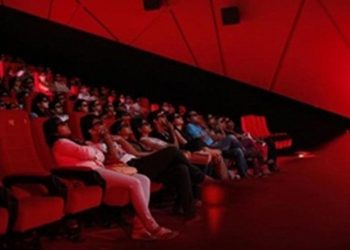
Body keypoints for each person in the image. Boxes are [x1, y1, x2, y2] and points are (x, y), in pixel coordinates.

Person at [43, 116, 178, 240]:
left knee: (144, 179)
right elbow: (87, 152)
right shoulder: (60, 143)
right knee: (135, 183)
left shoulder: (70, 142)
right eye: (62, 124)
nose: (66, 125)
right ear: (54, 131)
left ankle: (139, 227)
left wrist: (95, 154)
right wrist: (95, 153)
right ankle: (151, 225)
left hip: (98, 169)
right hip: (89, 173)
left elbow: (97, 154)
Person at [82, 114, 210, 221]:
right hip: (127, 168)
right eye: (98, 124)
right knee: (172, 150)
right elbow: (113, 159)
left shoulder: (113, 139)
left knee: (181, 168)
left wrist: (157, 156)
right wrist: (108, 140)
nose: (103, 125)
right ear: (90, 130)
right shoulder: (90, 145)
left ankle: (189, 211)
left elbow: (136, 154)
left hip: (138, 162)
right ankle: (201, 178)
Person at [186, 111, 249, 177]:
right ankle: (246, 152)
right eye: (194, 115)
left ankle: (244, 175)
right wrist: (205, 129)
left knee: (238, 151)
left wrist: (217, 134)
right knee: (231, 137)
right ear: (188, 119)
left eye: (196, 114)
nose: (197, 116)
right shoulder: (189, 126)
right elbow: (198, 139)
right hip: (208, 147)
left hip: (215, 144)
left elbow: (210, 137)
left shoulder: (199, 126)